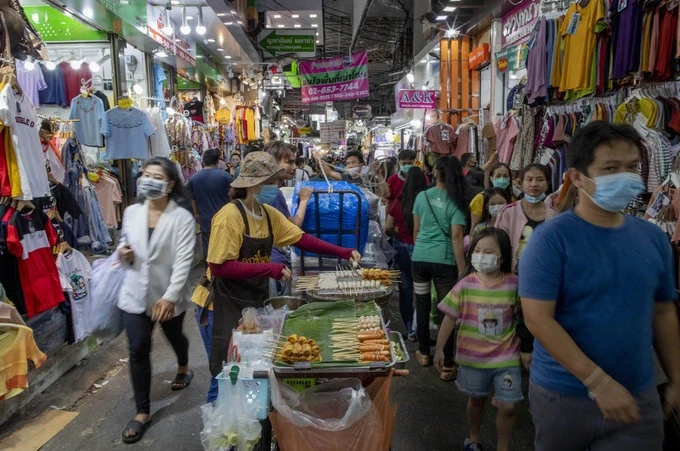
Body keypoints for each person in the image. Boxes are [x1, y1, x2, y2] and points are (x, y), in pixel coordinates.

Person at [520, 121, 680, 451]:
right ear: (577, 177)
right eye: (610, 168)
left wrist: (677, 378)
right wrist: (599, 384)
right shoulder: (551, 240)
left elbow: (663, 312)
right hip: (565, 397)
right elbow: (538, 319)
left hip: (638, 394)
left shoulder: (652, 238)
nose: (625, 176)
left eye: (632, 166)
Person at [206, 152, 361, 378]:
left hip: (251, 297)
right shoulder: (229, 216)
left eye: (276, 182)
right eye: (270, 182)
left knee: (252, 368)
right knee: (226, 370)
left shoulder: (268, 214)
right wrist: (269, 268)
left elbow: (300, 238)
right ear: (254, 184)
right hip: (223, 302)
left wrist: (341, 252)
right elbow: (219, 267)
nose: (275, 187)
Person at [117, 157, 196, 444]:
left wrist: (170, 297)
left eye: (156, 176)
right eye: (145, 175)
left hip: (167, 295)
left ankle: (184, 365)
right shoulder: (132, 212)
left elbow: (185, 260)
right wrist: (122, 252)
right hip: (135, 294)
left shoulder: (182, 218)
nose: (148, 180)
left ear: (170, 183)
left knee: (174, 336)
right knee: (138, 348)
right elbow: (124, 242)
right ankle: (142, 412)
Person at [434, 228, 522, 451]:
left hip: (507, 358)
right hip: (473, 359)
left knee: (509, 406)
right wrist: (439, 349)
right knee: (477, 400)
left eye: (489, 251)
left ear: (502, 256)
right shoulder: (464, 286)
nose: (482, 255)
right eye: (478, 250)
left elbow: (526, 318)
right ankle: (474, 438)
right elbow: (449, 318)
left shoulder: (515, 284)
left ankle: (503, 447)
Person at [412, 156, 468, 381]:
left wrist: (423, 251)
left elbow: (416, 230)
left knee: (422, 305)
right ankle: (446, 364)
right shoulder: (456, 200)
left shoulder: (421, 196)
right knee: (449, 312)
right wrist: (462, 268)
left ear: (435, 172)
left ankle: (424, 353)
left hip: (420, 259)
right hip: (444, 261)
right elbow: (456, 236)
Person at [263, 141, 313, 297]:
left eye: (294, 162)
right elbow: (294, 227)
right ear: (273, 163)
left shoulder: (269, 191)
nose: (294, 166)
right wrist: (304, 200)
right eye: (289, 162)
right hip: (274, 263)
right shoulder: (273, 194)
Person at [385, 166, 428, 341]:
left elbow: (387, 227)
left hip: (402, 248)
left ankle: (410, 330)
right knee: (424, 292)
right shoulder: (427, 201)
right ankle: (423, 329)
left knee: (406, 290)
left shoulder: (400, 201)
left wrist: (398, 233)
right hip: (423, 248)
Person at [496, 164, 557, 272]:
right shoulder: (509, 212)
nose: (534, 184)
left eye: (540, 180)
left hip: (544, 273)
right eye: (529, 179)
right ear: (521, 183)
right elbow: (498, 244)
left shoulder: (554, 215)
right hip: (513, 273)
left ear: (547, 184)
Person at [187, 148, 233, 262]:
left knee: (208, 249)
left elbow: (193, 199)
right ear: (217, 161)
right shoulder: (226, 176)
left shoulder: (194, 178)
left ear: (203, 161)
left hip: (205, 220)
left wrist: (196, 213)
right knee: (225, 249)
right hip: (224, 220)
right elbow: (232, 197)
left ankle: (209, 274)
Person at [470, 163, 514, 232]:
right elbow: (474, 227)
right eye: (498, 176)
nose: (502, 179)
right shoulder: (480, 198)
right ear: (491, 178)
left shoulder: (512, 199)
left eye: (505, 176)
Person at [386, 149, 417, 215]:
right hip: (398, 216)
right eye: (404, 163)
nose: (407, 166)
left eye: (410, 163)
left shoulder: (421, 178)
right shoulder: (392, 180)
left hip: (415, 215)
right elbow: (389, 201)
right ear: (399, 162)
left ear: (414, 162)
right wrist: (387, 220)